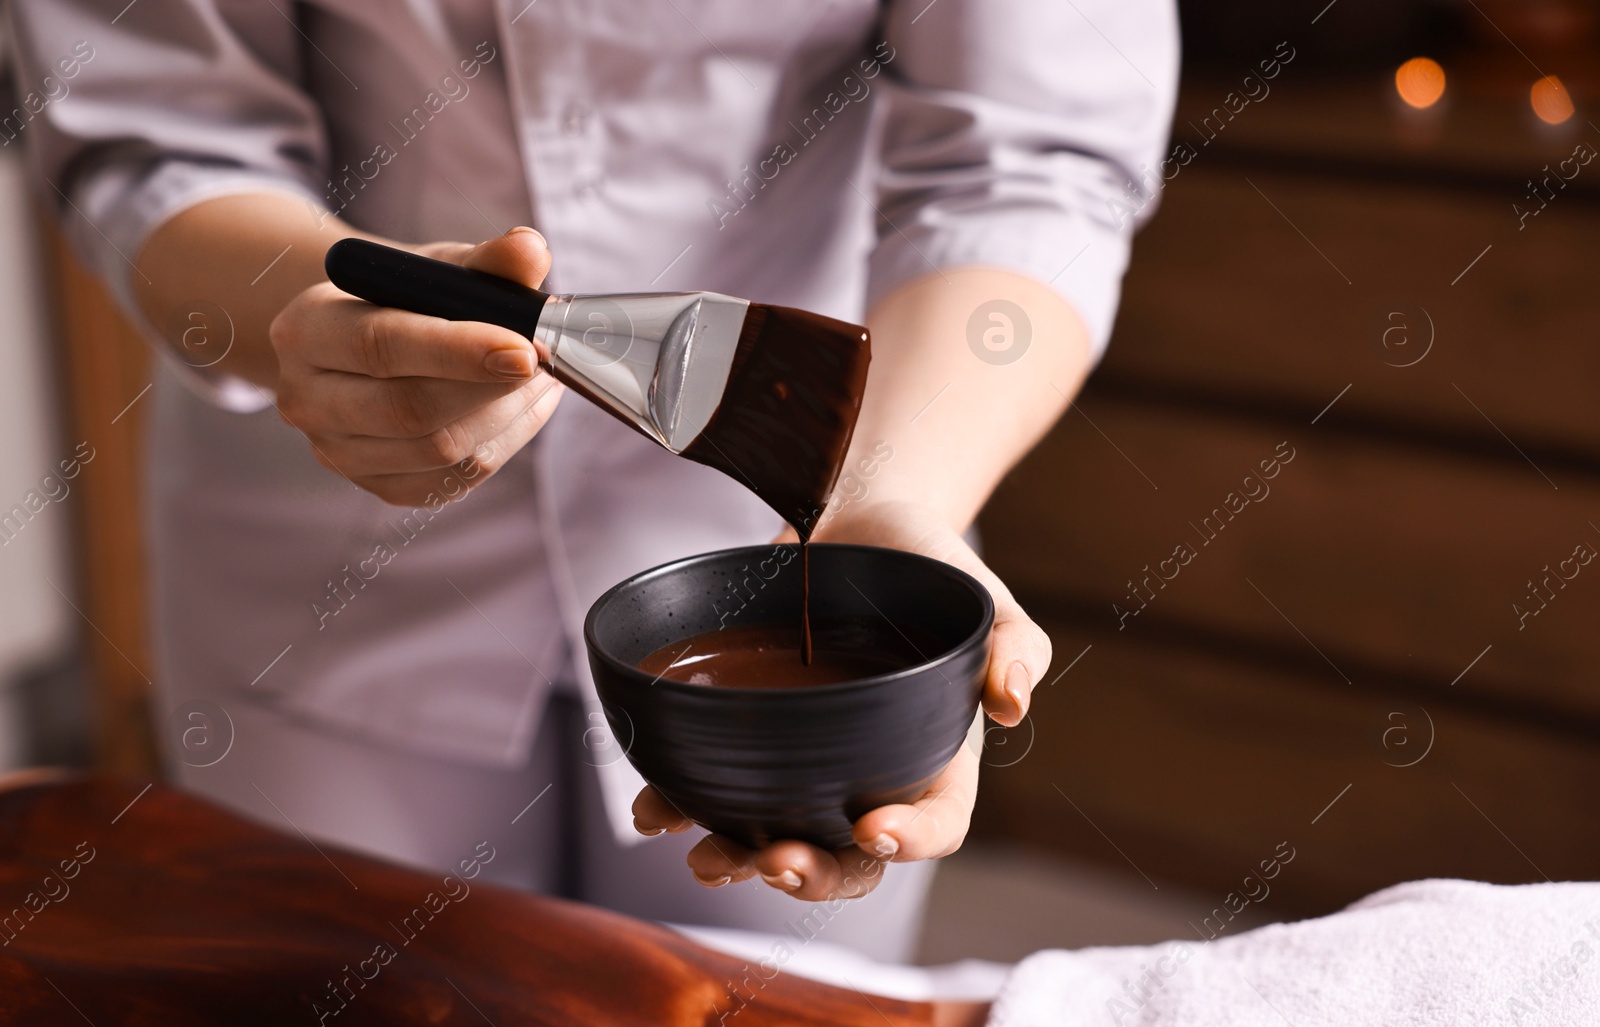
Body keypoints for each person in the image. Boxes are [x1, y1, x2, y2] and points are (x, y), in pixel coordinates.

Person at [9, 0, 1177, 962]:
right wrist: (309, 326)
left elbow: (1030, 157)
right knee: (366, 1024)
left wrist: (893, 497)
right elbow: (157, 131)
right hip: (323, 555)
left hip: (807, 523)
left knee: (769, 1022)